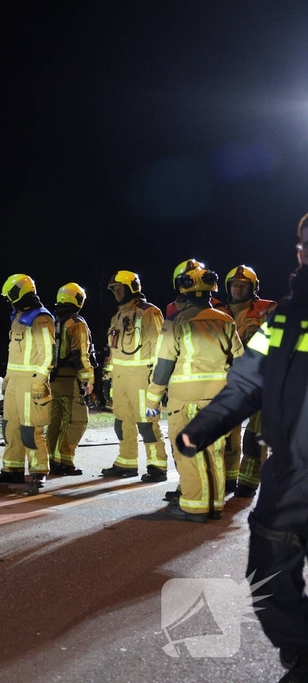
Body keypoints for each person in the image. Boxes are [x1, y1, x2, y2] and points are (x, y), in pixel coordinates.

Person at [177, 215, 308, 682]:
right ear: (300, 254)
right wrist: (201, 428)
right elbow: (245, 382)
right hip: (291, 471)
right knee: (269, 583)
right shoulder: (286, 317)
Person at [145, 259, 243, 522]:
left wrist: (152, 399)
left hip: (186, 399)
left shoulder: (175, 321)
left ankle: (195, 508)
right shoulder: (226, 320)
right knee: (215, 452)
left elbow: (164, 366)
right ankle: (214, 504)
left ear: (182, 288)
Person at [101, 270, 168, 481]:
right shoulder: (117, 316)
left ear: (133, 288)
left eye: (121, 289)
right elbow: (112, 352)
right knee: (121, 422)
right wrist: (106, 378)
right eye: (115, 290)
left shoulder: (150, 312)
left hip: (143, 378)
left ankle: (157, 466)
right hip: (120, 379)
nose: (117, 293)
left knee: (147, 423)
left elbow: (161, 348)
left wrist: (159, 381)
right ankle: (126, 462)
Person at [0, 274, 54, 489]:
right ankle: (12, 470)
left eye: (10, 296)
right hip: (15, 383)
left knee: (31, 429)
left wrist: (39, 382)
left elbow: (47, 354)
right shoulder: (19, 317)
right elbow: (13, 354)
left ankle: (38, 470)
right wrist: (7, 379)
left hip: (30, 383)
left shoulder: (41, 318)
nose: (9, 301)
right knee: (10, 428)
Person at [220, 265, 277, 497]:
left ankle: (248, 482)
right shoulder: (219, 313)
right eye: (234, 285)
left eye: (244, 286)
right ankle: (228, 478)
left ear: (253, 289)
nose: (238, 289)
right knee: (227, 436)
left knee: (254, 436)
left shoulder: (267, 309)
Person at [47, 283, 95, 476]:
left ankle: (52, 459)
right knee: (77, 420)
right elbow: (80, 354)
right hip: (69, 380)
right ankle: (64, 461)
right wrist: (88, 378)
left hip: (51, 380)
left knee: (54, 422)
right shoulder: (77, 323)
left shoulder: (50, 321)